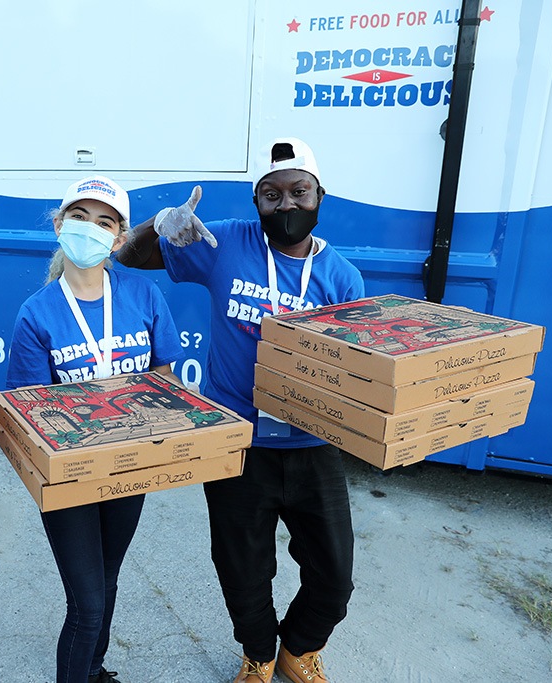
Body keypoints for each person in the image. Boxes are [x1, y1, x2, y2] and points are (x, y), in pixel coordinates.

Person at [116, 138, 364, 683]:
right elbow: (126, 257)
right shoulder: (226, 242)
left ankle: (300, 648)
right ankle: (259, 653)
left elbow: (353, 370)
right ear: (257, 202)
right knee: (242, 567)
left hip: (312, 444)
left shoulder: (342, 278)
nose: (286, 206)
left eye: (299, 192)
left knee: (335, 574)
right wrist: (156, 226)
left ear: (320, 196)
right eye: (271, 195)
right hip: (237, 439)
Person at [5, 176, 186, 683]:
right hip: (71, 479)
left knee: (107, 580)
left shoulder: (142, 293)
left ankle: (93, 668)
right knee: (85, 604)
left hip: (128, 466)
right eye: (80, 217)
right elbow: (29, 411)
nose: (90, 229)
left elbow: (166, 380)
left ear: (120, 237)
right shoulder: (36, 313)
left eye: (104, 222)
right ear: (60, 225)